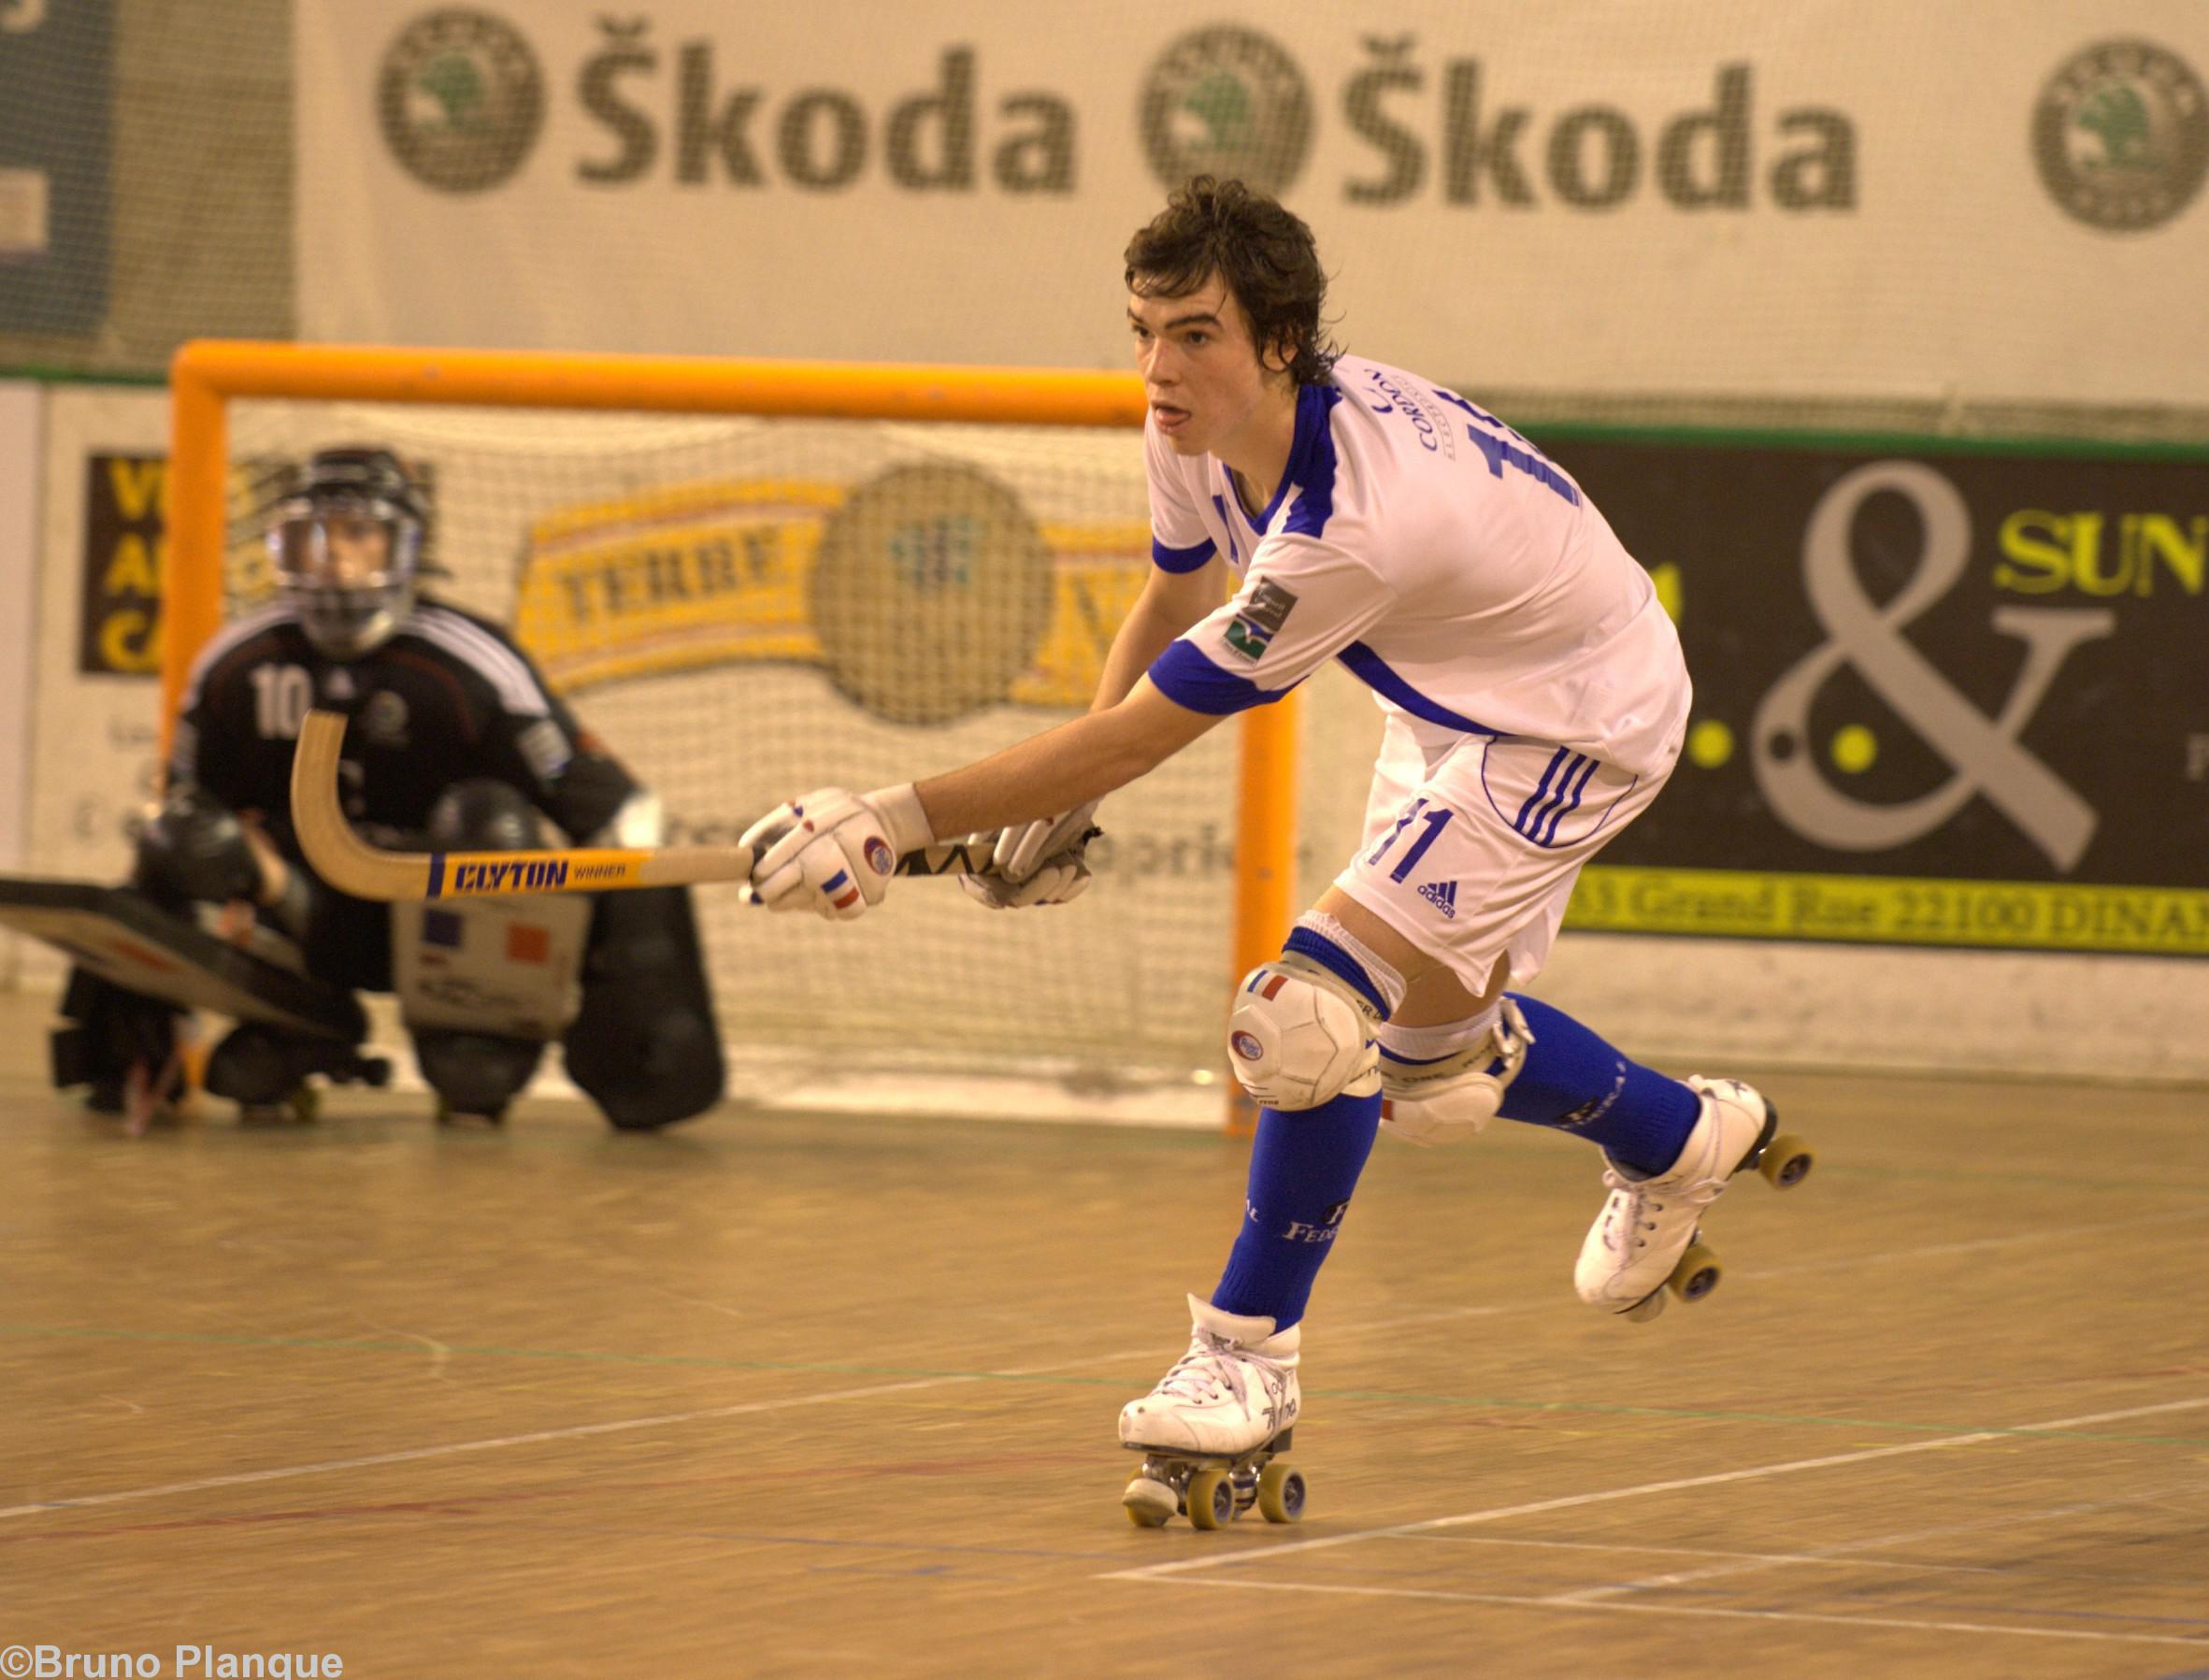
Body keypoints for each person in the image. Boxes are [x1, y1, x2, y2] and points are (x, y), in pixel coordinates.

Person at [739, 178, 1805, 1507]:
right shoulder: (1195, 425)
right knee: (1430, 1073)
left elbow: (1148, 734)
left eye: (1192, 333)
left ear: (1279, 343)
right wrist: (1048, 801)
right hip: (1447, 701)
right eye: (1141, 329)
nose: (1156, 368)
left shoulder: (1355, 519)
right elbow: (1175, 593)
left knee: (1300, 1018)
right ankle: (1678, 1139)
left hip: (1573, 724)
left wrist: (894, 820)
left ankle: (1241, 1364)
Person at [55, 446, 724, 1129]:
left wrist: (631, 996)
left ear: (404, 546)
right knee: (187, 833)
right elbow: (184, 811)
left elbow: (617, 814)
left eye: (356, 533)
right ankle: (279, 1026)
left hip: (439, 914)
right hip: (307, 906)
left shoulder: (469, 664)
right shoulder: (238, 662)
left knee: (488, 822)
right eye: (312, 536)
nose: (333, 557)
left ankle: (476, 1038)